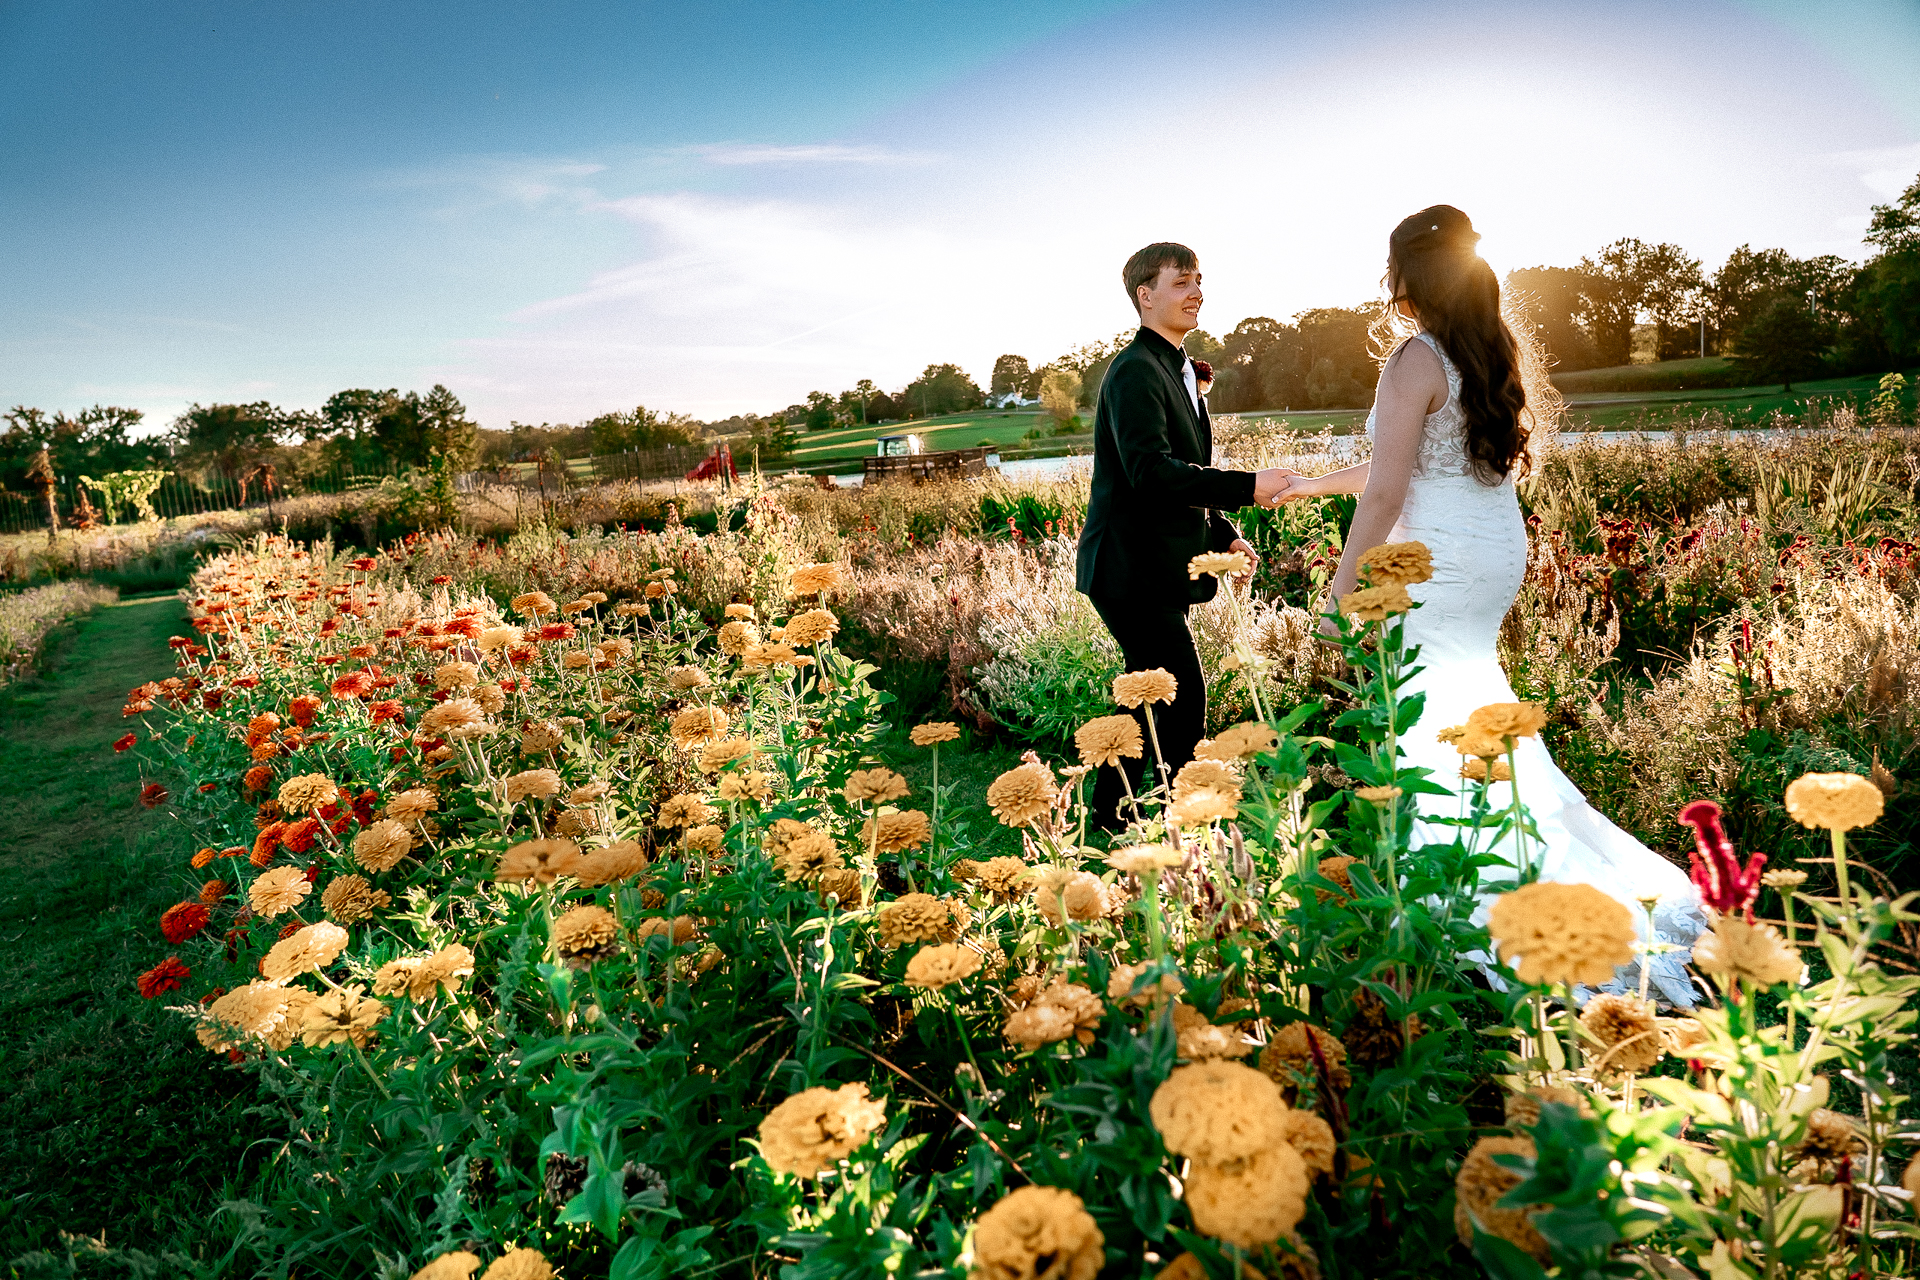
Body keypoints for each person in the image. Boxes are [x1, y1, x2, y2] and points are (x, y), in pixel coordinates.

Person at [1271, 206, 1704, 1005]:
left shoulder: (1412, 360)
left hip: (1434, 559)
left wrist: (1339, 593)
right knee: (1470, 705)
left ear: (1403, 279)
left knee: (1426, 717)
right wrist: (1308, 482)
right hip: (1492, 550)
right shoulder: (1489, 348)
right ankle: (1507, 863)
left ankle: (1468, 898)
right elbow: (1410, 464)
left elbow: (1392, 490)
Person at [1076, 242, 1294, 829]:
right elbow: (1150, 474)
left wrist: (1222, 534)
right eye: (1180, 283)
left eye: (1199, 281)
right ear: (1145, 296)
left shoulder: (1176, 367)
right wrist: (1247, 487)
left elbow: (1184, 471)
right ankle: (1182, 821)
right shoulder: (1132, 373)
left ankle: (1110, 818)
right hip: (1127, 569)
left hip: (1155, 566)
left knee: (1145, 696)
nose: (1196, 292)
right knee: (1180, 697)